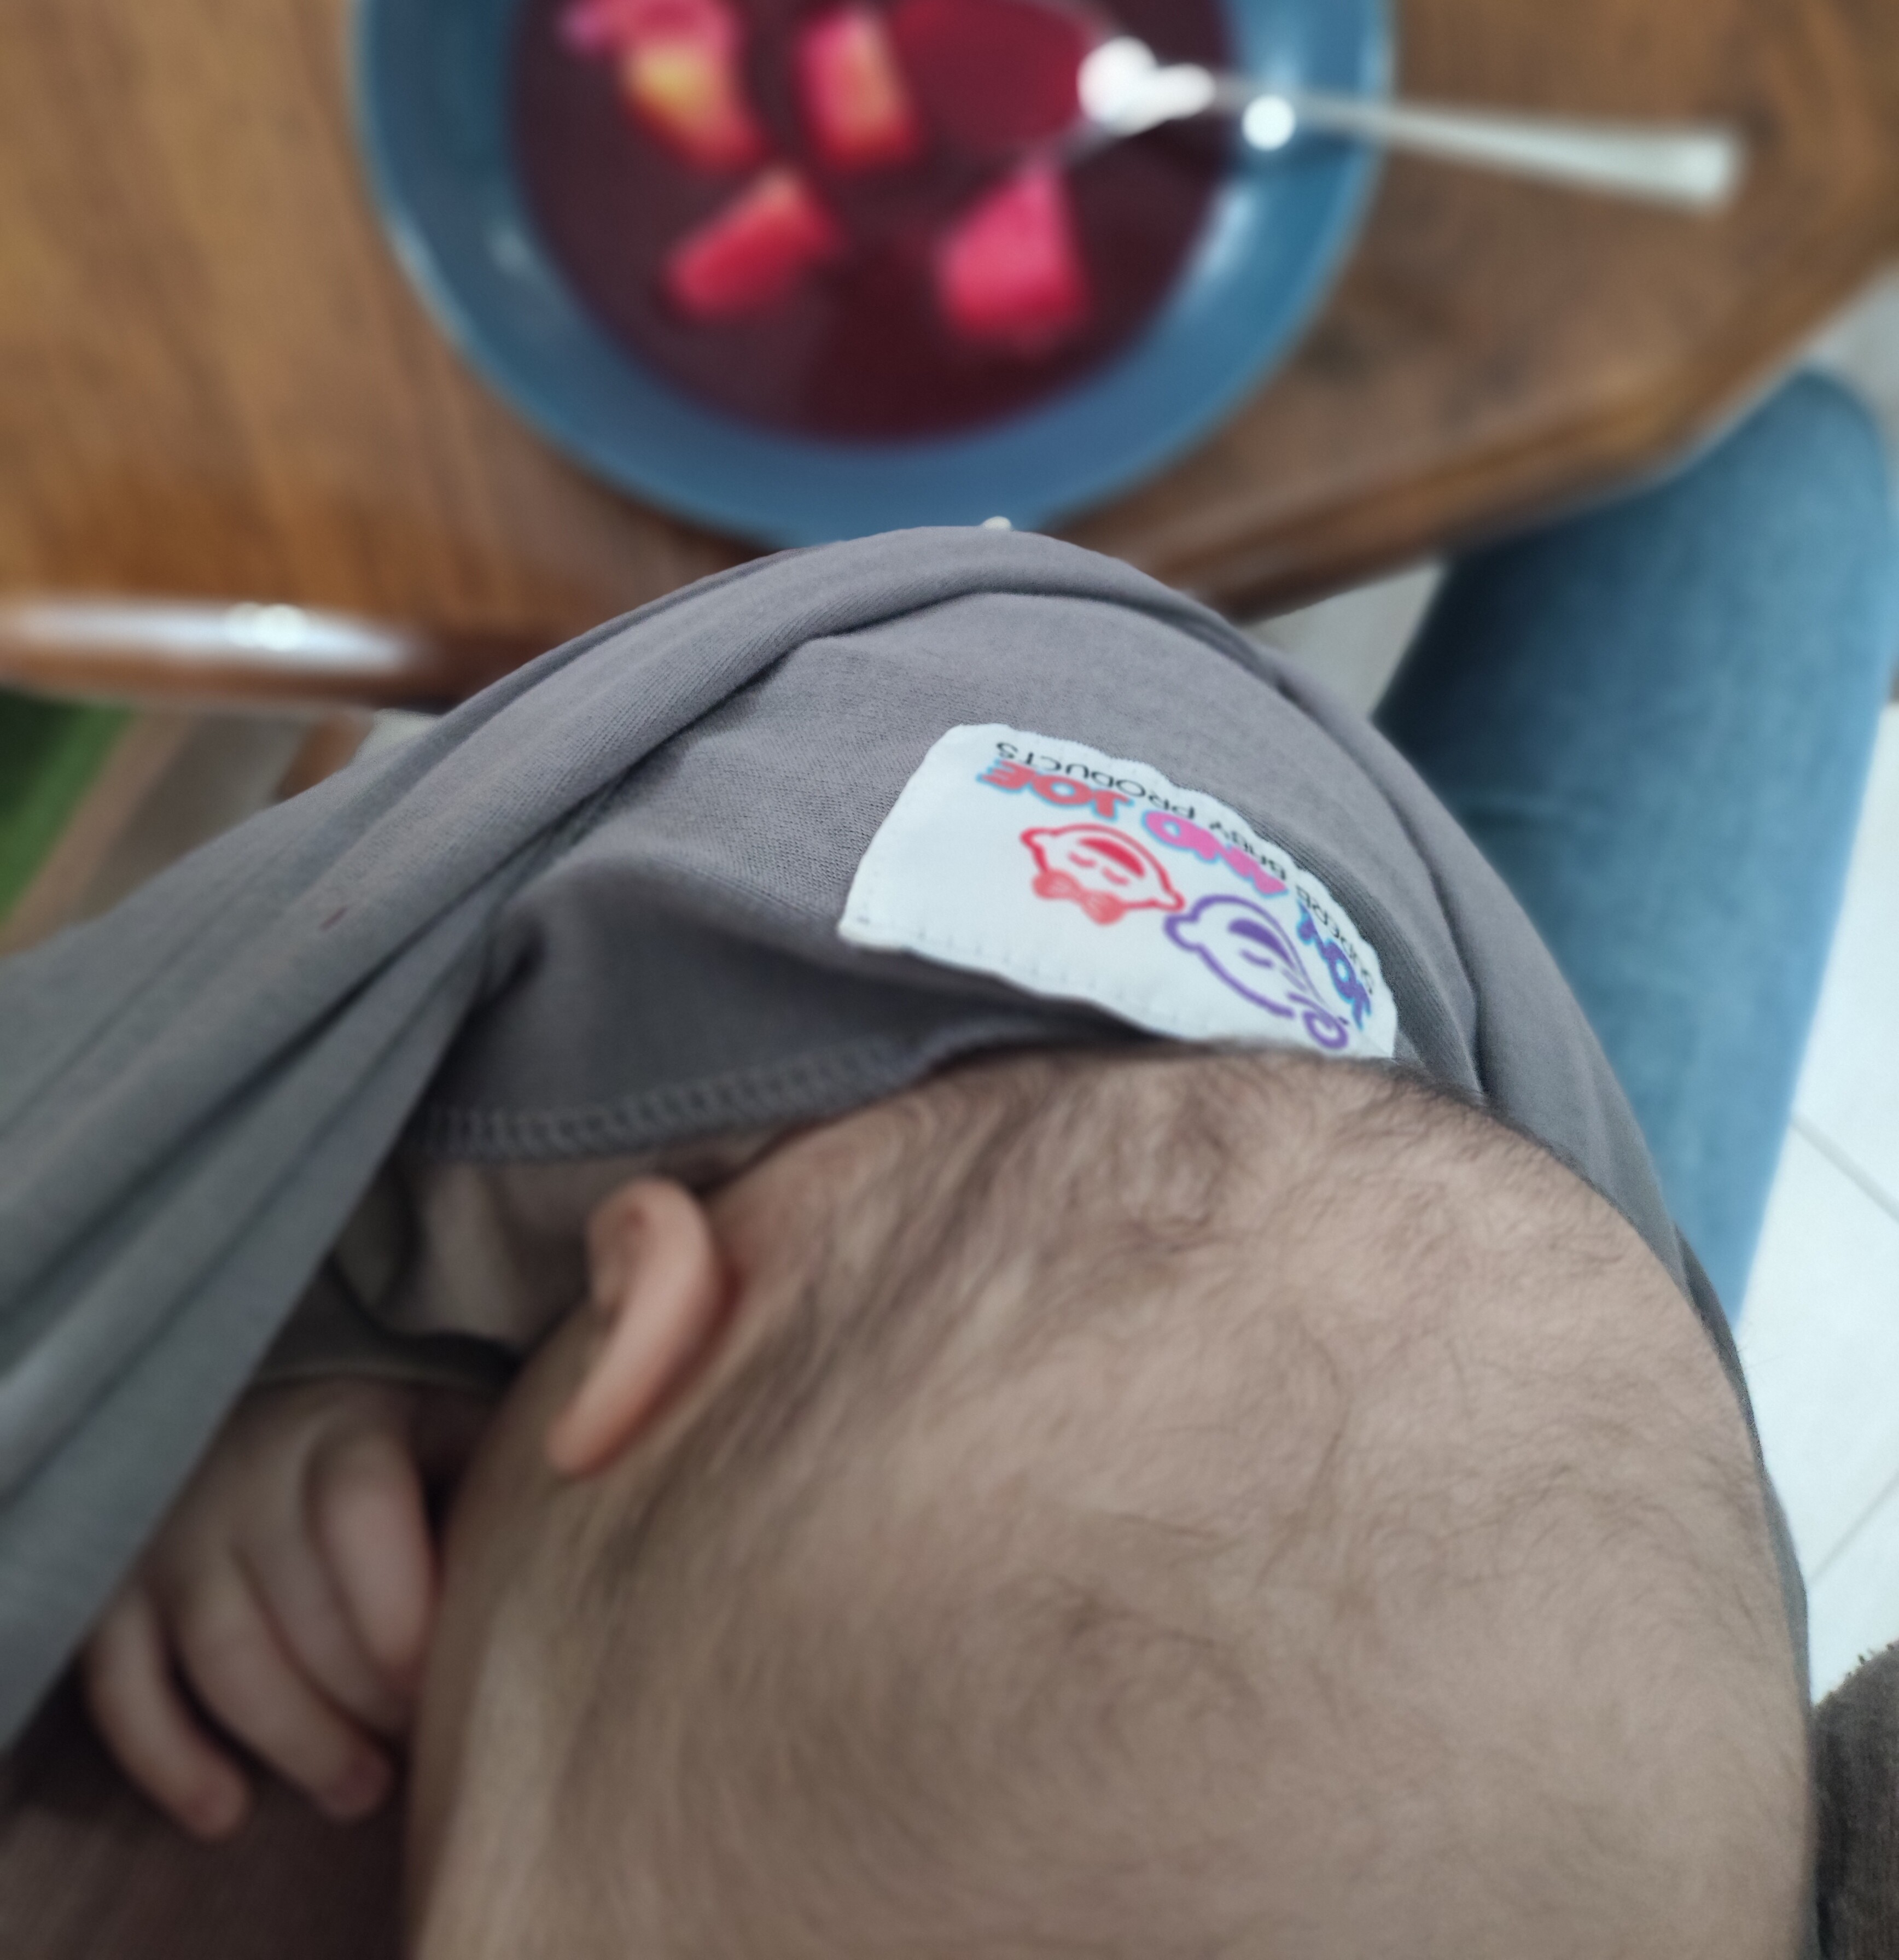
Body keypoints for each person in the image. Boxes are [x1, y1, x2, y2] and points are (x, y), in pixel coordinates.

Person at [13, 375, 1895, 1956]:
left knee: (1779, 484)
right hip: (1115, 869)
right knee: (1770, 484)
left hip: (1389, 1116)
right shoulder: (541, 1104)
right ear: (638, 1333)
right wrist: (272, 1350)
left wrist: (273, 1437)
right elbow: (238, 1187)